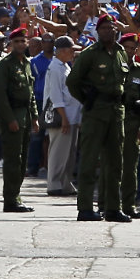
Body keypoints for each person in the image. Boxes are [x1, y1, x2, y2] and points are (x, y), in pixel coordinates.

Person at [66, 14, 131, 222]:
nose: (107, 31)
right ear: (97, 31)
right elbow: (73, 81)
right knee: (89, 160)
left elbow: (125, 81)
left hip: (116, 111)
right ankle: (85, 207)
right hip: (95, 111)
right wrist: (87, 99)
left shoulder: (121, 53)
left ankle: (113, 207)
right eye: (103, 28)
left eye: (110, 28)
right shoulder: (90, 54)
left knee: (115, 162)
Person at [0, 26, 38, 212]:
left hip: (25, 115)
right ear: (10, 44)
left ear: (27, 43)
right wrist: (9, 119)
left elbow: (31, 93)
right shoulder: (4, 65)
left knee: (23, 159)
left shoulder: (26, 63)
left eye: (23, 41)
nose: (20, 44)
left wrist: (34, 117)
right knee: (13, 159)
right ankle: (10, 199)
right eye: (16, 41)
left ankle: (16, 195)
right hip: (12, 115)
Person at [119, 32, 140, 219]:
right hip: (115, 120)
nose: (130, 51)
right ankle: (108, 204)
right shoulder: (114, 67)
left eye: (133, 48)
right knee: (113, 164)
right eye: (127, 48)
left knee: (131, 166)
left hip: (133, 120)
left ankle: (129, 205)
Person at [44, 36, 80, 196]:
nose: (73, 53)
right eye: (71, 50)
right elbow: (55, 95)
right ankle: (54, 184)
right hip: (62, 117)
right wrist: (63, 117)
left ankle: (66, 183)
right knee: (58, 151)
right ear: (63, 51)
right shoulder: (55, 68)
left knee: (69, 153)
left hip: (72, 116)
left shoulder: (65, 66)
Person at [26, 33, 54, 178]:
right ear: (42, 43)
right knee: (37, 135)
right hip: (39, 100)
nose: (48, 43)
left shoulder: (59, 59)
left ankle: (51, 167)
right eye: (45, 41)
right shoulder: (35, 61)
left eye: (50, 41)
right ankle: (32, 167)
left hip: (55, 101)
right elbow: (31, 82)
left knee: (53, 136)